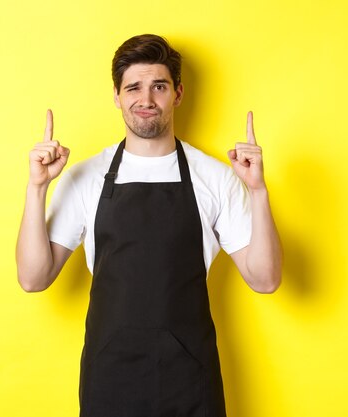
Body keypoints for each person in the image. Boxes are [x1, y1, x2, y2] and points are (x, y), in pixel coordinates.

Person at [16, 34, 282, 417]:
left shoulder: (215, 177)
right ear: (117, 95)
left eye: (159, 86)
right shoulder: (85, 178)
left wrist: (257, 191)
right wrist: (37, 187)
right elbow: (32, 277)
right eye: (133, 88)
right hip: (109, 379)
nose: (146, 100)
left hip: (190, 380)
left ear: (177, 93)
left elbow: (266, 279)